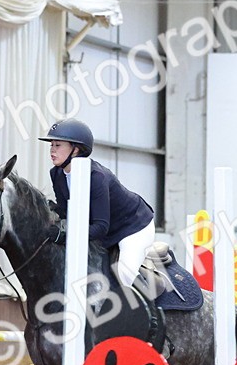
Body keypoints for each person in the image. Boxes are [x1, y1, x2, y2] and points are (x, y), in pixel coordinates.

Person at [39, 119, 156, 290]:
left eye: (58, 145)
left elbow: (101, 227)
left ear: (76, 149)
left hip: (133, 227)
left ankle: (153, 314)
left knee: (125, 272)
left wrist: (66, 236)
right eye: (51, 145)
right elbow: (66, 212)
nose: (52, 150)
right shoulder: (56, 173)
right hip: (104, 232)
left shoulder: (97, 177)